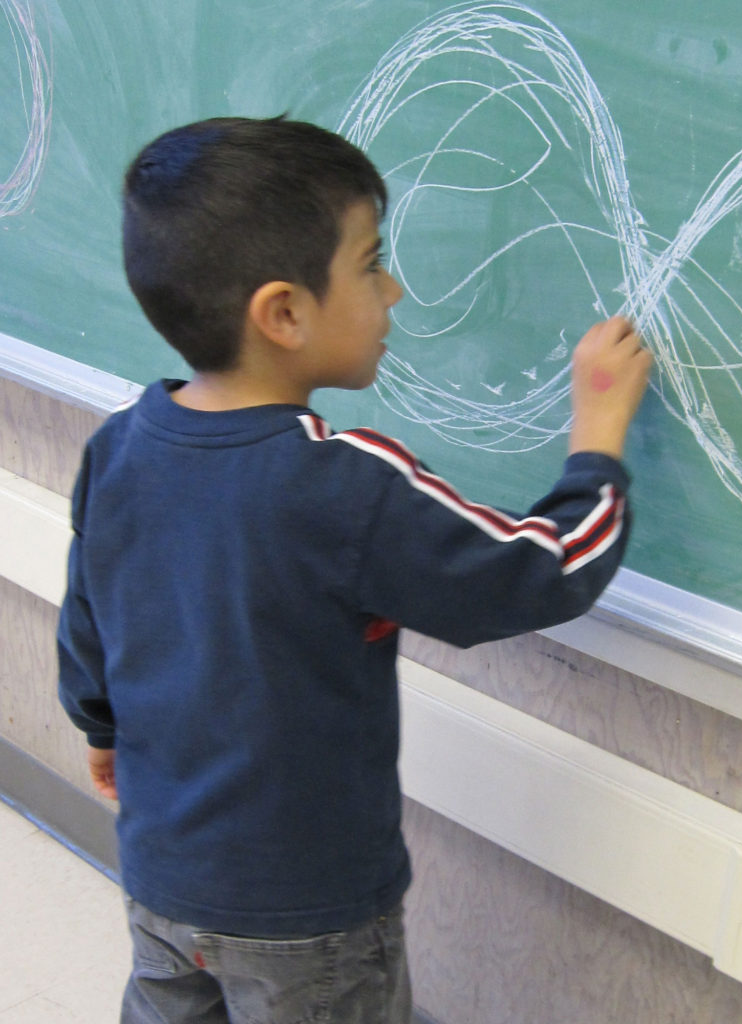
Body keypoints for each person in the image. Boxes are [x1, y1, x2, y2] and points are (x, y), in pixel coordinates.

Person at [57, 115, 651, 1024]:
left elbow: (88, 622)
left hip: (163, 871)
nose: (397, 289)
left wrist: (100, 728)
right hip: (309, 917)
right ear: (285, 313)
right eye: (372, 263)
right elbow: (539, 572)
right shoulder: (342, 485)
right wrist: (598, 437)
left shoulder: (119, 447)